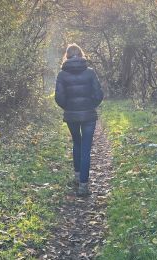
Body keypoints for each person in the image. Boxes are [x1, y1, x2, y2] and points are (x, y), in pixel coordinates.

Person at [55, 43, 104, 196]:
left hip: (71, 115)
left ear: (67, 56)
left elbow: (59, 97)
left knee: (77, 142)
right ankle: (83, 185)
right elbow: (98, 94)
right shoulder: (90, 72)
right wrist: (91, 105)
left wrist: (68, 108)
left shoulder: (62, 74)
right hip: (89, 115)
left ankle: (77, 176)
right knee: (86, 149)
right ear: (82, 55)